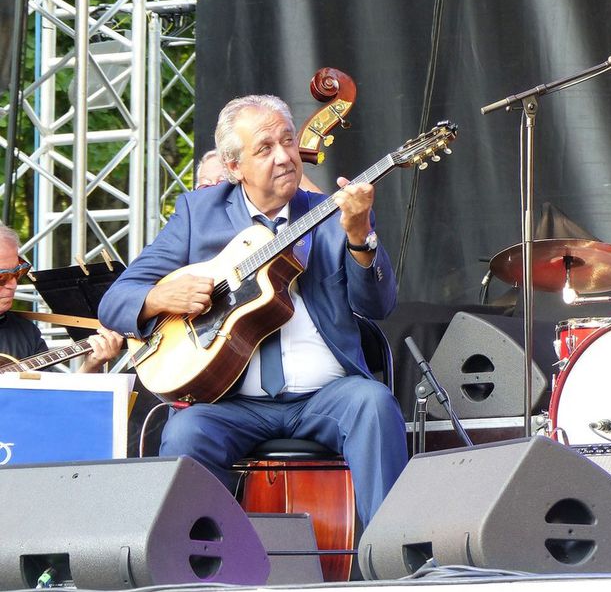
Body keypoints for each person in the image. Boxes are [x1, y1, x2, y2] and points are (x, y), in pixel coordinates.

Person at [98, 94, 406, 525]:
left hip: (326, 396)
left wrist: (360, 236)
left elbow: (379, 304)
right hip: (230, 402)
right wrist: (159, 298)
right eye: (264, 148)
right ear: (233, 166)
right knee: (186, 432)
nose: (284, 157)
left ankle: (391, 562)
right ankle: (195, 573)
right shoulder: (196, 215)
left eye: (287, 141)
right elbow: (115, 299)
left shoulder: (329, 213)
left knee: (374, 404)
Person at [0, 223, 123, 371]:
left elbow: (50, 393)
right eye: (2, 278)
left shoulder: (26, 333)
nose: (13, 285)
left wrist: (90, 365)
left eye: (17, 273)